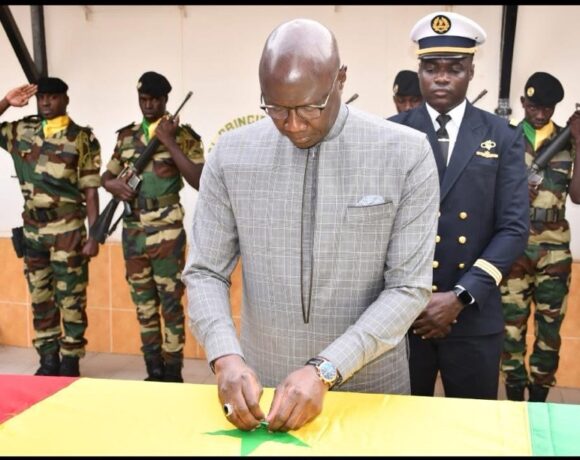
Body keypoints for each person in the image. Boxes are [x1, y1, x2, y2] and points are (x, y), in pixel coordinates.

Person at [183, 18, 440, 432]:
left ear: (341, 79)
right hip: (261, 395)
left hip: (369, 393)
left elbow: (408, 287)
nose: (293, 124)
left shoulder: (404, 153)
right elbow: (205, 272)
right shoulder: (231, 154)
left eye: (309, 107)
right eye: (276, 108)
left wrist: (326, 369)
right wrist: (224, 356)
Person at [389, 11, 530, 400]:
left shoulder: (502, 136)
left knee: (471, 426)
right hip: (402, 317)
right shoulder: (392, 133)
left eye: (454, 68)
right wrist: (408, 297)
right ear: (419, 71)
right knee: (398, 424)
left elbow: (514, 228)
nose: (442, 77)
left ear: (470, 71)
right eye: (431, 67)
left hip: (473, 315)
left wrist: (460, 296)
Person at [101, 71, 204, 383]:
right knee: (144, 305)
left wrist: (169, 141)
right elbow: (107, 176)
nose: (148, 105)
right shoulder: (126, 137)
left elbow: (199, 179)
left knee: (170, 303)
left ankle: (172, 372)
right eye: (143, 99)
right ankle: (153, 370)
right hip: (133, 231)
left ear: (165, 100)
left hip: (167, 233)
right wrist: (114, 185)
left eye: (154, 100)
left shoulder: (182, 136)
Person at [0, 78, 101, 377]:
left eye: (53, 97)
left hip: (67, 229)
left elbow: (91, 190)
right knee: (40, 297)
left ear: (65, 99)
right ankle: (47, 359)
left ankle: (70, 360)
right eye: (41, 97)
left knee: (71, 297)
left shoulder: (81, 138)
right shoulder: (22, 131)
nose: (45, 102)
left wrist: (94, 235)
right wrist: (5, 102)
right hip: (33, 231)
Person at [501, 72, 580, 402]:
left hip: (554, 250)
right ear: (523, 103)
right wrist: (515, 191)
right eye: (533, 107)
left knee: (549, 330)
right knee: (510, 328)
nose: (539, 114)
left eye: (546, 108)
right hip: (513, 244)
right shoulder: (505, 137)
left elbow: (577, 196)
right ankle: (514, 398)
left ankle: (539, 401)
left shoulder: (568, 140)